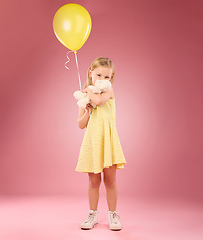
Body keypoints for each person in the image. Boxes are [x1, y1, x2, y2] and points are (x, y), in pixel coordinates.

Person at [76, 57, 126, 231]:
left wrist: (89, 91)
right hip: (92, 141)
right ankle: (93, 213)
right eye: (99, 75)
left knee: (110, 181)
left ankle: (113, 214)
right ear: (90, 72)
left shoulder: (108, 92)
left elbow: (98, 101)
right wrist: (87, 111)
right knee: (93, 181)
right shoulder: (85, 97)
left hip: (108, 140)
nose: (103, 80)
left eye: (107, 77)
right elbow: (81, 124)